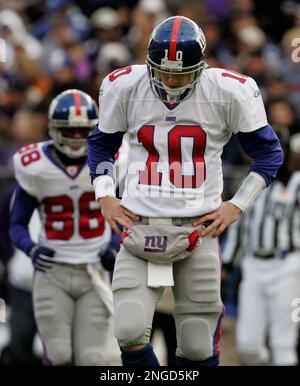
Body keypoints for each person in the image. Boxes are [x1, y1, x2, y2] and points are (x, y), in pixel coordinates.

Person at [87, 16, 283, 366]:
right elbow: (101, 146)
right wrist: (105, 196)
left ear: (202, 65)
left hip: (198, 228)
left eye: (181, 72)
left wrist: (235, 206)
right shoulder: (125, 86)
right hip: (140, 224)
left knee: (196, 343)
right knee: (129, 331)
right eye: (163, 71)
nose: (172, 79)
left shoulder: (227, 90)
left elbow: (270, 154)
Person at [9, 89, 120, 366]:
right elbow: (17, 224)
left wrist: (113, 246)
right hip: (52, 272)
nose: (77, 138)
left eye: (84, 131)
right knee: (58, 354)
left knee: (92, 358)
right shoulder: (34, 166)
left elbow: (130, 216)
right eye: (70, 131)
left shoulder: (114, 162)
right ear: (54, 129)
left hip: (93, 271)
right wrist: (31, 248)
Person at [222, 133, 300, 365]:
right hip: (253, 265)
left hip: (287, 264)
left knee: (283, 342)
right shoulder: (246, 183)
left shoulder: (296, 184)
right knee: (247, 345)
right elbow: (237, 228)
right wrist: (226, 263)